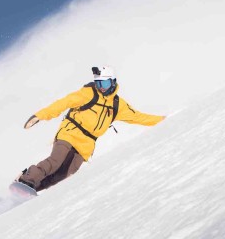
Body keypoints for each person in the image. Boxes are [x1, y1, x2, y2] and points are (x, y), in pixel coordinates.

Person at [17, 65, 166, 192]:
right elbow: (64, 103)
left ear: (113, 82)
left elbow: (139, 117)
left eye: (105, 84)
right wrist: (40, 116)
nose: (101, 88)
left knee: (63, 175)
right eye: (98, 83)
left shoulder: (117, 105)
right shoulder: (88, 93)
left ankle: (32, 190)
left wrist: (166, 121)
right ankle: (25, 180)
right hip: (70, 133)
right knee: (55, 161)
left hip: (85, 146)